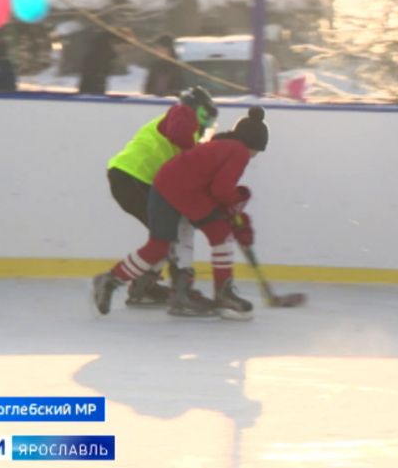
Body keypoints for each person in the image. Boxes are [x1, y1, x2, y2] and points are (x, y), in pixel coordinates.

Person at [92, 106, 269, 317]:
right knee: (220, 233)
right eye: (257, 151)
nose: (255, 156)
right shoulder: (239, 151)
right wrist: (235, 204)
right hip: (184, 193)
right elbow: (221, 190)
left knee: (159, 245)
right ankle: (221, 294)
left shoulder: (221, 144)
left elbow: (212, 186)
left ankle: (110, 280)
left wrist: (233, 211)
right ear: (253, 144)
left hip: (163, 188)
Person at [106, 86, 218, 308]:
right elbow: (179, 132)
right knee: (171, 232)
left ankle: (145, 286)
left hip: (133, 179)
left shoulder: (185, 127)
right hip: (133, 178)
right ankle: (179, 290)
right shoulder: (182, 113)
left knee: (166, 234)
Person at [78, 29, 131, 95]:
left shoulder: (105, 55)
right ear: (114, 43)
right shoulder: (99, 57)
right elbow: (93, 82)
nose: (123, 51)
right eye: (124, 48)